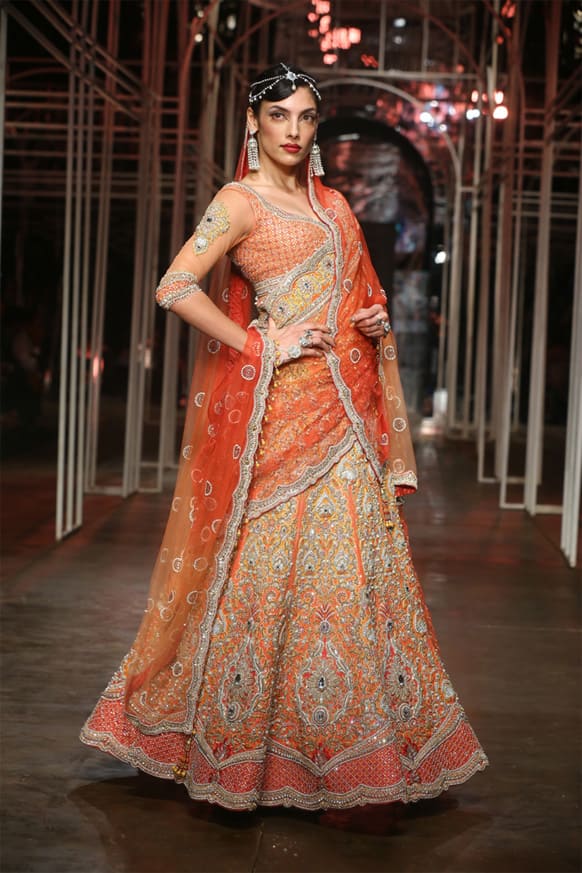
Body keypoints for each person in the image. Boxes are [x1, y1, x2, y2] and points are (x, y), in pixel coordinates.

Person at [80, 62, 488, 810]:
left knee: (350, 583)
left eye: (306, 118)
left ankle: (345, 750)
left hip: (345, 416)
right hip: (279, 417)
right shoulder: (239, 201)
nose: (295, 132)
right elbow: (174, 286)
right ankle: (234, 746)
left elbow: (361, 296)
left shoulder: (335, 205)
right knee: (264, 578)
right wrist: (258, 342)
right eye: (280, 118)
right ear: (254, 126)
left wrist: (373, 321)